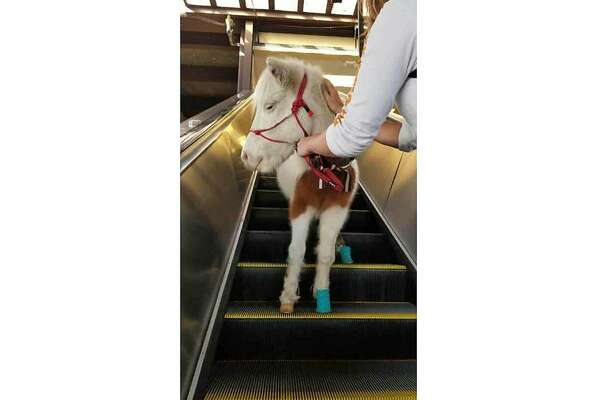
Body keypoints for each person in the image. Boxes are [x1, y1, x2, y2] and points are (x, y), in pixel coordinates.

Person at [297, 0, 417, 158]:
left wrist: (307, 145)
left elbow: (352, 135)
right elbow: (413, 136)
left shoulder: (400, 12)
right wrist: (341, 109)